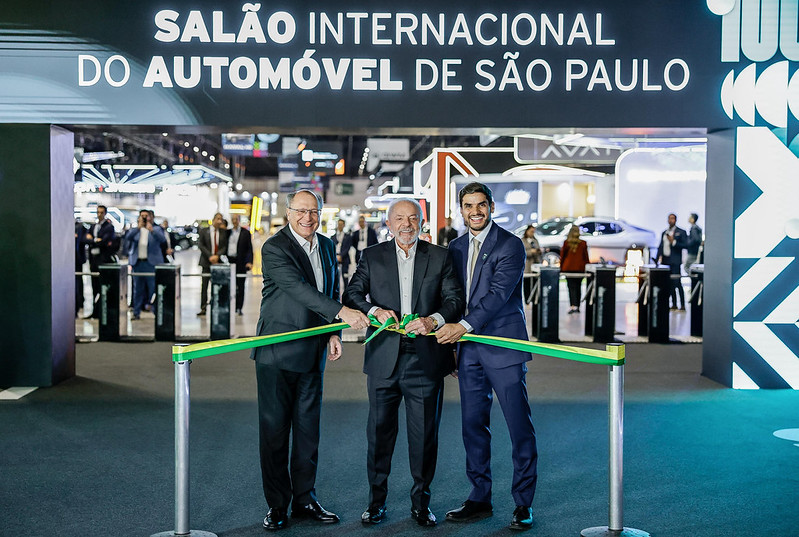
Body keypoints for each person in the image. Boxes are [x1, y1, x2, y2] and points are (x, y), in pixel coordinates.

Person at [252, 190, 370, 531]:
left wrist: (333, 332)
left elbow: (330, 288)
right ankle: (278, 505)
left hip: (313, 351)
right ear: (288, 212)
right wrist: (343, 313)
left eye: (313, 211)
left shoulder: (327, 245)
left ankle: (304, 500)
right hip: (278, 352)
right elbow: (298, 289)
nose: (308, 217)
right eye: (301, 211)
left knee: (308, 433)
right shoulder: (275, 247)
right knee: (275, 433)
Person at [343, 198, 464, 527]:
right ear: (389, 223)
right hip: (384, 357)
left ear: (422, 222)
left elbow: (455, 299)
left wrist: (432, 320)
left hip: (425, 359)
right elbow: (352, 294)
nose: (406, 224)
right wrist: (374, 311)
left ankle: (421, 505)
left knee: (424, 437)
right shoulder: (372, 256)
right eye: (399, 218)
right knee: (379, 434)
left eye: (412, 218)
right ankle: (376, 502)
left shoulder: (440, 256)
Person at [435, 182, 538, 531]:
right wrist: (452, 343)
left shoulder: (510, 244)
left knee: (518, 426)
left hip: (503, 346)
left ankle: (523, 503)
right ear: (461, 210)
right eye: (468, 206)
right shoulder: (456, 247)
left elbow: (497, 295)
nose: (475, 211)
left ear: (491, 206)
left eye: (481, 204)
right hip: (468, 351)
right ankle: (480, 497)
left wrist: (461, 327)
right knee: (473, 426)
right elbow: (453, 297)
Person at [124, 212, 165, 320]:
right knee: (137, 290)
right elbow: (128, 237)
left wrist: (151, 230)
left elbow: (162, 239)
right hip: (138, 263)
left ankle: (156, 312)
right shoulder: (135, 230)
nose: (144, 218)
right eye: (142, 216)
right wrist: (138, 228)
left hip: (151, 264)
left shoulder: (156, 229)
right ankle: (136, 312)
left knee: (153, 289)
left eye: (146, 216)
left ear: (151, 217)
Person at [86, 205, 116, 319]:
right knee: (94, 286)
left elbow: (104, 241)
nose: (99, 214)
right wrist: (95, 240)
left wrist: (93, 240)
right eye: (98, 212)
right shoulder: (93, 226)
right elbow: (85, 238)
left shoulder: (109, 227)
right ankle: (95, 310)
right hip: (93, 260)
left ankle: (102, 311)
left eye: (101, 212)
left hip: (103, 260)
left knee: (102, 286)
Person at [196, 213, 229, 316]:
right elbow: (201, 245)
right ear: (213, 219)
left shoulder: (223, 232)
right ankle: (203, 307)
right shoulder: (204, 231)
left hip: (218, 262)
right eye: (218, 219)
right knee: (204, 286)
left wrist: (217, 256)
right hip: (206, 262)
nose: (219, 221)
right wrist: (210, 256)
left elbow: (224, 246)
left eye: (221, 219)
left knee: (218, 286)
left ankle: (217, 305)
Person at [657, 213, 687, 311]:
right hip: (666, 261)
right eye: (669, 218)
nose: (671, 220)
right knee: (669, 283)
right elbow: (661, 246)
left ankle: (682, 304)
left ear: (675, 220)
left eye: (672, 218)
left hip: (675, 261)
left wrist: (673, 242)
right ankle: (673, 304)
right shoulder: (664, 233)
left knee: (677, 282)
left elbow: (685, 245)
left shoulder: (681, 232)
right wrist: (657, 259)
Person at [227, 214, 254, 315]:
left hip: (241, 262)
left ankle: (239, 307)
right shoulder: (227, 232)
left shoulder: (245, 233)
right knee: (230, 286)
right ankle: (230, 306)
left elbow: (249, 248)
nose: (234, 221)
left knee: (240, 286)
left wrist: (249, 262)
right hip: (229, 261)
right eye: (233, 219)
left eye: (236, 219)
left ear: (239, 220)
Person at [560, 225, 590, 314]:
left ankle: (572, 306)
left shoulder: (566, 243)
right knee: (578, 287)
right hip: (579, 268)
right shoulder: (583, 243)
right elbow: (585, 257)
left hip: (568, 268)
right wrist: (588, 267)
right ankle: (577, 306)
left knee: (571, 287)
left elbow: (562, 256)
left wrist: (561, 268)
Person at [521, 225, 542, 304]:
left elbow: (539, 251)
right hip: (526, 266)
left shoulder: (535, 241)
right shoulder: (522, 241)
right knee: (526, 284)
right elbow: (521, 252)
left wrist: (538, 251)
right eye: (531, 231)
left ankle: (534, 300)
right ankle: (527, 300)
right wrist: (531, 252)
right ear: (527, 231)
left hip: (535, 266)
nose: (532, 233)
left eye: (533, 232)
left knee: (535, 284)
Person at [330, 218, 351, 291]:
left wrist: (341, 256)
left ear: (344, 225)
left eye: (341, 224)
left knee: (345, 277)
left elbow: (347, 248)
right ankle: (336, 293)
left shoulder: (347, 237)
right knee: (335, 277)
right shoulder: (333, 237)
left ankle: (346, 293)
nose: (340, 226)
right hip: (335, 258)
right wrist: (336, 256)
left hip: (344, 259)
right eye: (339, 224)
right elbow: (331, 247)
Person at [75, 220, 91, 316]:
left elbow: (84, 240)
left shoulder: (81, 227)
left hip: (77, 259)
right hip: (72, 259)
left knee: (78, 282)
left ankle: (79, 302)